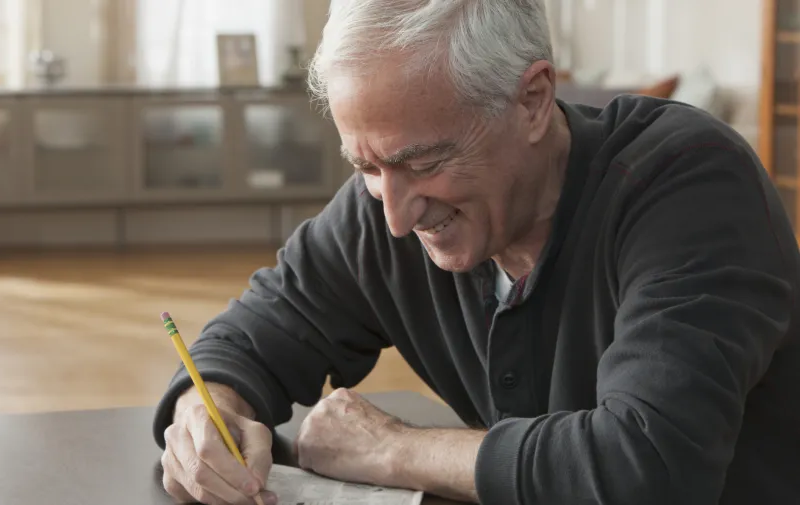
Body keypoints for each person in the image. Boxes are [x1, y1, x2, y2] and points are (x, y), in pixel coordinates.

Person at [153, 1, 800, 504]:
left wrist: (391, 449)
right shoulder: (389, 202)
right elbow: (255, 332)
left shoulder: (692, 186)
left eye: (423, 161)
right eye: (367, 167)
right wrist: (207, 412)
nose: (397, 217)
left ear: (533, 100)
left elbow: (645, 470)